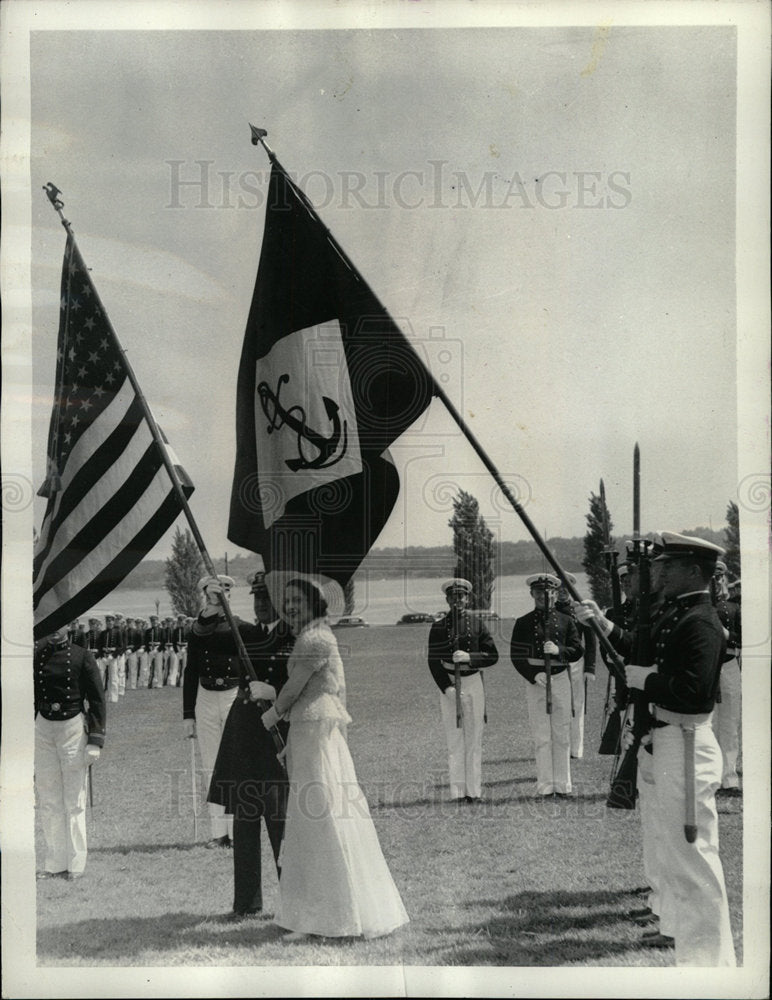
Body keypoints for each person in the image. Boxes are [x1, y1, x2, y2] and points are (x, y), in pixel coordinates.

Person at [581, 531, 736, 966]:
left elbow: (693, 691)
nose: (657, 573)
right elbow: (642, 649)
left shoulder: (702, 622)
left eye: (666, 566)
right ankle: (696, 958)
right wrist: (603, 624)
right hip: (665, 741)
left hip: (685, 745)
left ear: (692, 570)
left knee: (693, 865)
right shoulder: (679, 614)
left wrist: (645, 680)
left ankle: (710, 968)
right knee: (676, 861)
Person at [260, 578, 409, 940]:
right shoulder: (316, 635)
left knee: (319, 813)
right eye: (287, 600)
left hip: (314, 725)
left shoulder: (316, 638)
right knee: (317, 811)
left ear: (316, 604)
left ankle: (328, 916)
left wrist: (272, 712)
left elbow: (295, 687)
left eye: (298, 600)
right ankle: (320, 912)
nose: (290, 606)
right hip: (314, 727)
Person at [208, 570, 294, 919]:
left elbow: (303, 685)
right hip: (244, 735)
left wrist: (275, 694)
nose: (259, 605)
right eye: (255, 599)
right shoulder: (245, 634)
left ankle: (293, 900)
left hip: (276, 737)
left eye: (266, 599)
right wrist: (214, 607)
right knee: (244, 824)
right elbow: (206, 639)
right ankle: (246, 903)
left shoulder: (293, 637)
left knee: (280, 823)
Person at [34, 626, 106, 880]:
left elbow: (97, 699)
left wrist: (95, 739)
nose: (54, 631)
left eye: (60, 624)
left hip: (72, 727)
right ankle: (54, 863)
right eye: (50, 625)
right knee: (48, 798)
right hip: (43, 728)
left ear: (70, 625)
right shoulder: (37, 654)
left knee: (74, 799)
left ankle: (76, 863)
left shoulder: (81, 656)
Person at [510, 574, 583, 798]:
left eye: (549, 592)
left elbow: (577, 650)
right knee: (542, 735)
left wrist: (559, 651)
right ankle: (545, 785)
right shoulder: (522, 623)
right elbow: (516, 655)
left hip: (560, 678)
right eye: (539, 592)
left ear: (555, 593)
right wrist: (533, 675)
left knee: (561, 733)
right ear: (532, 594)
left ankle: (563, 785)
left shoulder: (567, 620)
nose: (544, 596)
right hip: (538, 681)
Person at [427, 578, 499, 802]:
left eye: (462, 596)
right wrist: (446, 688)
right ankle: (458, 792)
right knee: (455, 739)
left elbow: (492, 655)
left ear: (467, 598)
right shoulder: (438, 627)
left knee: (474, 737)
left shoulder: (477, 624)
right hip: (450, 683)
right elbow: (433, 661)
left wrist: (471, 657)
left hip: (473, 681)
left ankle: (474, 791)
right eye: (453, 596)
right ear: (447, 599)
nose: (458, 600)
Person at [183, 575, 240, 847]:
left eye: (227, 590)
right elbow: (191, 670)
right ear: (206, 594)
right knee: (211, 765)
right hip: (205, 697)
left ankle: (238, 830)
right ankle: (219, 833)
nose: (223, 593)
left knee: (235, 763)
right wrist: (187, 714)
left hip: (233, 695)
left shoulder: (239, 625)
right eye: (217, 590)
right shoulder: (197, 629)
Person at [555, 572, 596, 759]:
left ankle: (576, 748)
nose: (562, 591)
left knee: (577, 705)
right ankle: (560, 744)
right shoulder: (550, 609)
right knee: (558, 705)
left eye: (566, 588)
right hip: (556, 663)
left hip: (576, 662)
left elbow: (590, 640)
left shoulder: (579, 610)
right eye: (559, 588)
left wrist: (590, 668)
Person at [711, 560, 742, 795]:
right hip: (707, 668)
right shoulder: (703, 607)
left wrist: (726, 634)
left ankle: (729, 776)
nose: (717, 582)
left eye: (720, 578)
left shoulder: (734, 608)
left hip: (729, 666)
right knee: (708, 724)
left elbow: (742, 639)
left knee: (729, 724)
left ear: (725, 579)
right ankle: (711, 775)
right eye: (713, 578)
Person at [97, 613, 123, 703]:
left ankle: (114, 697)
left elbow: (120, 647)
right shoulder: (103, 633)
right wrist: (101, 656)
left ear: (113, 621)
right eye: (107, 621)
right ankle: (100, 696)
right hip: (103, 657)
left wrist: (113, 655)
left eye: (111, 621)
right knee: (100, 677)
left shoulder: (117, 632)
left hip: (113, 657)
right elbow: (99, 646)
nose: (109, 623)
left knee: (113, 677)